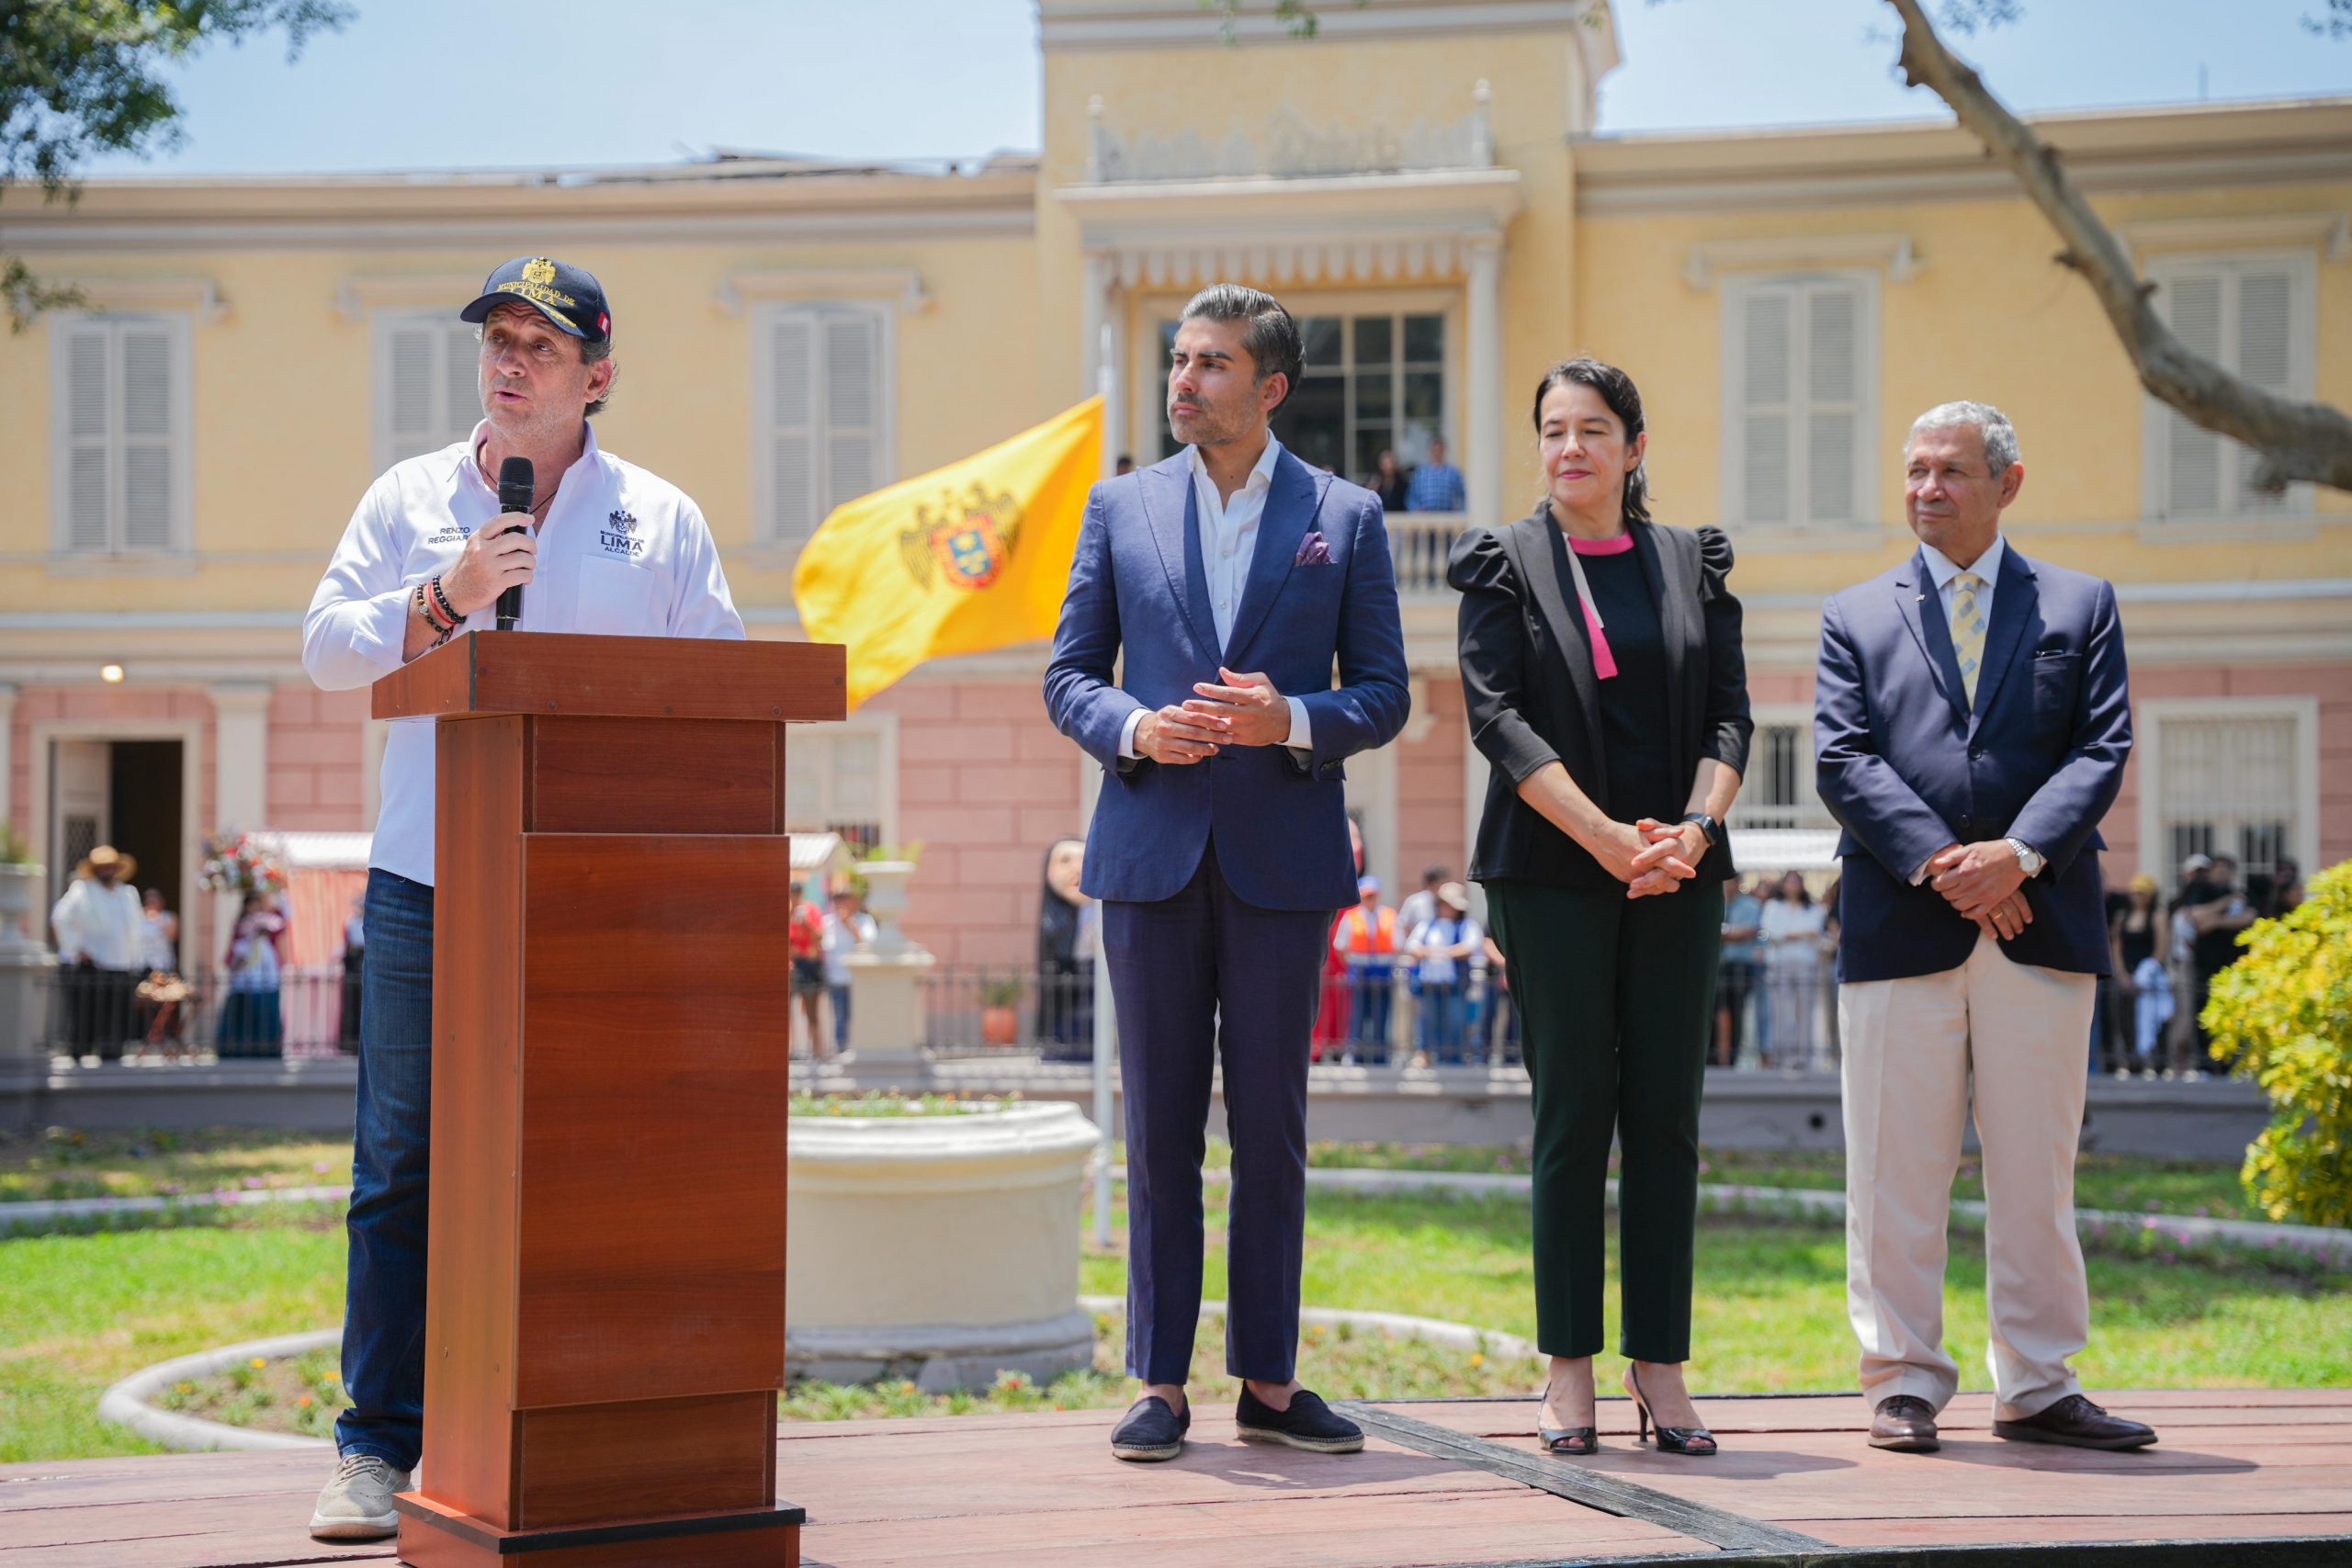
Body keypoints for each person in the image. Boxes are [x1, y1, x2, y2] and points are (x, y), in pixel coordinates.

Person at [300, 255, 746, 1540]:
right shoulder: (409, 498)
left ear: (597, 378)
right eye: (497, 338)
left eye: (541, 345)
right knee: (401, 1163)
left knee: (596, 1153)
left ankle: (584, 1425)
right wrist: (447, 596)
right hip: (428, 878)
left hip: (598, 893)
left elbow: (716, 688)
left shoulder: (660, 518)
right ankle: (376, 1445)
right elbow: (325, 649)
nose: (510, 360)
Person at [1043, 282, 1408, 1463]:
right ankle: (1158, 1384)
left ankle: (1269, 1382)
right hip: (1149, 854)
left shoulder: (1344, 516)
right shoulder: (1119, 505)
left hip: (1281, 863)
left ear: (1270, 386)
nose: (1185, 381)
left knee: (1271, 1133)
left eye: (1211, 363)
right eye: (1179, 360)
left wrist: (1288, 718)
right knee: (1158, 1132)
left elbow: (1384, 694)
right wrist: (1137, 730)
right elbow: (1068, 676)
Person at [1815, 399, 2153, 1457]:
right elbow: (1841, 758)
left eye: (1951, 471)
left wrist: (2018, 856)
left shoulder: (2080, 605)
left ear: (2007, 484)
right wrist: (1946, 865)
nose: (1927, 488)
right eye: (1915, 469)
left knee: (2035, 1174)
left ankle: (2039, 1383)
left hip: (2040, 925)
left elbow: (2101, 748)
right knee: (1890, 1173)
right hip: (1896, 926)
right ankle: (1901, 1380)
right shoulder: (1852, 614)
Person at [1451, 356, 1749, 1459]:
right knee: (1572, 1115)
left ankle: (1658, 1365)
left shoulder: (1690, 561)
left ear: (1633, 447)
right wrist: (1606, 840)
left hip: (1678, 868)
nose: (1569, 447)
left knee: (1666, 1117)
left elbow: (1730, 717)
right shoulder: (1503, 563)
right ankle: (1568, 1365)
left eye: (1591, 429)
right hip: (1551, 872)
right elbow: (1497, 721)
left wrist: (1694, 831)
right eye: (1552, 429)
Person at [50, 844, 144, 1063]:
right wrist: (76, 948)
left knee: (116, 1011)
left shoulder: (127, 893)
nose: (106, 870)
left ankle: (112, 1050)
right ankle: (80, 1049)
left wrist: (136, 957)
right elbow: (60, 918)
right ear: (94, 869)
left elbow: (136, 927)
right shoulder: (82, 890)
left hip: (121, 962)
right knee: (86, 1011)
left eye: (110, 866)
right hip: (92, 962)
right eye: (102, 866)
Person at [1404, 882, 1481, 1065]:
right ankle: (1425, 1054)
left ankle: (1453, 1057)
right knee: (1427, 1021)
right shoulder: (1426, 925)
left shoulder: (1467, 925)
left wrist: (1440, 952)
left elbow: (1469, 947)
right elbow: (1412, 947)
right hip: (1429, 982)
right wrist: (1432, 952)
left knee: (1455, 1021)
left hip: (1454, 984)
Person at [1758, 871, 1827, 1068]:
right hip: (1780, 963)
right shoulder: (1773, 906)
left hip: (1806, 963)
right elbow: (1772, 932)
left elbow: (1815, 931)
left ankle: (1804, 1056)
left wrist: (1790, 935)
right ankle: (1782, 1056)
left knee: (1805, 1010)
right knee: (1780, 1010)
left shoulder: (1813, 907)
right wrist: (1800, 934)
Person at [1035, 839, 1093, 1059]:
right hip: (1067, 994)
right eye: (1065, 860)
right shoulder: (1054, 922)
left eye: (1084, 860)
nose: (1077, 869)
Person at [1333, 877, 1398, 1064]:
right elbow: (1340, 946)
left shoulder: (1389, 915)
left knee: (1381, 1014)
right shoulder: (1351, 917)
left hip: (1382, 970)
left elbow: (1398, 943)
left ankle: (1380, 1056)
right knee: (1357, 1014)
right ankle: (1356, 1054)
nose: (1370, 899)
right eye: (1366, 896)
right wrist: (1351, 965)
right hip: (1359, 970)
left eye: (1372, 895)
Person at [217, 891, 288, 1055]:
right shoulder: (241, 926)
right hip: (246, 971)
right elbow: (236, 947)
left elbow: (280, 925)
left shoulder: (270, 922)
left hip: (265, 970)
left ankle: (267, 1046)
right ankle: (238, 1046)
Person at [1395, 864, 1446, 1057]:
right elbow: (1404, 926)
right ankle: (1417, 1050)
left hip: (1439, 964)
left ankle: (1437, 1049)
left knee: (1437, 1010)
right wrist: (1414, 949)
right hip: (1418, 963)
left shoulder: (1443, 902)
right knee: (1418, 1008)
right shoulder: (1415, 901)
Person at [134, 887, 188, 1061]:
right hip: (144, 965)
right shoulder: (138, 918)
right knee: (144, 1004)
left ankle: (165, 1037)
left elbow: (172, 935)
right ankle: (146, 1037)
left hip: (163, 966)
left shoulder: (168, 917)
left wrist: (155, 919)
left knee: (165, 1005)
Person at [1715, 875, 1764, 1067]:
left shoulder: (1750, 906)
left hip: (1740, 966)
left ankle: (1733, 1056)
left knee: (1737, 1011)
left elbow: (1749, 931)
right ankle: (1715, 1057)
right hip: (1718, 965)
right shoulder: (1716, 901)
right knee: (1716, 1011)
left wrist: (1725, 933)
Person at [822, 886, 876, 1058]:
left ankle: (862, 1049)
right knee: (840, 1017)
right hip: (836, 977)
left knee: (859, 1015)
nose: (840, 903)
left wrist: (849, 924)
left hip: (858, 979)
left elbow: (867, 944)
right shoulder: (828, 922)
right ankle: (841, 1050)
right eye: (836, 899)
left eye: (844, 898)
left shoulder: (864, 920)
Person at [787, 882, 829, 1059]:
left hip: (809, 964)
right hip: (792, 964)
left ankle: (816, 1049)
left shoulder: (810, 909)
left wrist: (806, 923)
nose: (794, 896)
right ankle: (789, 1049)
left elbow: (819, 935)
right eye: (792, 893)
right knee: (785, 1011)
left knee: (812, 1010)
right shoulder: (786, 911)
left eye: (797, 893)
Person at [1405, 434, 1466, 512]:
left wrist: (1460, 513)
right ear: (1429, 451)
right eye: (1433, 450)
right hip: (1424, 517)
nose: (1436, 453)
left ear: (1444, 450)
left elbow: (1462, 497)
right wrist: (1416, 508)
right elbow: (1410, 498)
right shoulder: (1420, 473)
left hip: (1447, 516)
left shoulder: (1453, 473)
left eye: (1439, 450)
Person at [338, 892, 366, 1052]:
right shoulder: (351, 921)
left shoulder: (366, 921)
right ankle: (349, 1041)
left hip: (363, 958)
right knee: (351, 1003)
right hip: (353, 961)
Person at [1368, 449, 1410, 513]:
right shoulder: (1377, 482)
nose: (1390, 467)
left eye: (1391, 463)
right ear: (1381, 465)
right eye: (1386, 464)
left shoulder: (1402, 483)